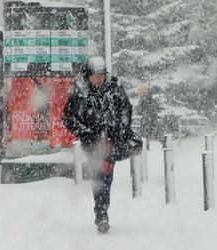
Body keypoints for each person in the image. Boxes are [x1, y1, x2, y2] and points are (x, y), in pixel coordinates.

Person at [62, 56, 142, 233]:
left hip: (112, 141)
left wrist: (119, 130)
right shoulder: (80, 90)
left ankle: (102, 211)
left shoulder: (114, 87)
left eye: (101, 75)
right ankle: (101, 215)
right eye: (95, 76)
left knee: (106, 177)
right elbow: (68, 117)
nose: (98, 79)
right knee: (99, 177)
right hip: (93, 144)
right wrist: (86, 133)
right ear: (88, 75)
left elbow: (126, 109)